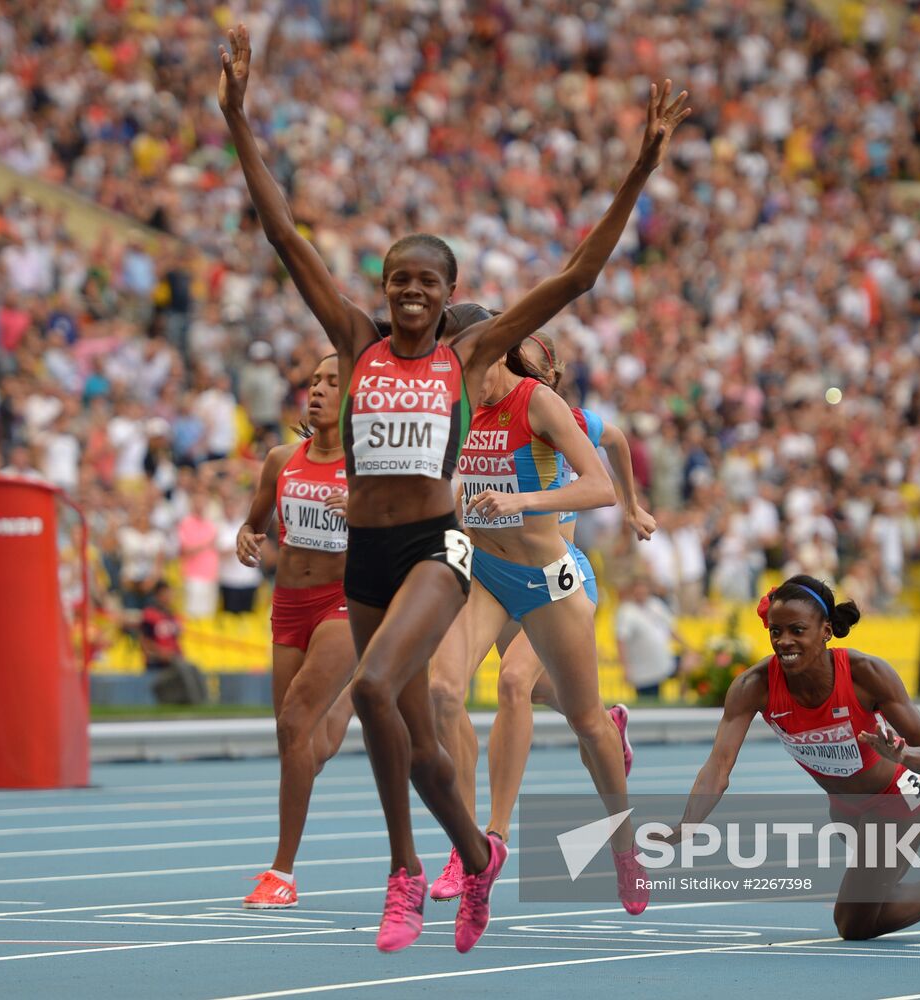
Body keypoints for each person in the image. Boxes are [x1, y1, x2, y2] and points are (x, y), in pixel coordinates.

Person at [220, 22, 689, 953]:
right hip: (368, 551)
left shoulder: (470, 356)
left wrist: (640, 166)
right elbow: (281, 232)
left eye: (426, 283)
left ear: (448, 294)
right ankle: (471, 857)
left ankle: (408, 876)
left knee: (373, 693)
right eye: (397, 279)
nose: (409, 293)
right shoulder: (352, 341)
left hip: (440, 550)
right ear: (382, 285)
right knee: (413, 723)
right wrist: (236, 116)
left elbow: (579, 275)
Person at [663, 575, 920, 941]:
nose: (784, 641)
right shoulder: (753, 686)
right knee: (876, 892)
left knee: (853, 923)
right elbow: (718, 766)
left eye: (797, 630)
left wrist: (902, 753)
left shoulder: (866, 675)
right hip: (845, 810)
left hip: (898, 802)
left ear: (825, 630)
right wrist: (690, 821)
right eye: (775, 631)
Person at [426, 340, 648, 911]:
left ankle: (624, 845)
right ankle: (479, 842)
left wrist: (630, 505)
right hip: (490, 571)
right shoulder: (464, 411)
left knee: (536, 695)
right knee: (447, 689)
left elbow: (616, 445)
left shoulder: (556, 412)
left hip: (557, 576)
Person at [235, 354, 356, 909]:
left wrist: (364, 511)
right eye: (314, 381)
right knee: (305, 743)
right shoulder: (281, 458)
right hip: (288, 605)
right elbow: (255, 520)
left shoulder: (369, 467)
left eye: (333, 382)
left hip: (344, 604)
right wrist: (246, 536)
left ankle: (281, 872)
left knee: (294, 722)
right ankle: (356, 690)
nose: (318, 390)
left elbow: (413, 525)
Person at [138, 581, 206, 705]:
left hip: (173, 661)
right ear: (157, 596)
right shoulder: (150, 615)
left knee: (193, 668)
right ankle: (194, 701)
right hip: (158, 664)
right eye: (166, 594)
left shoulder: (171, 615)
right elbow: (145, 643)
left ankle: (203, 702)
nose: (169, 597)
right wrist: (162, 654)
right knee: (184, 669)